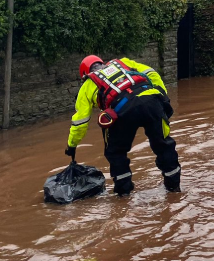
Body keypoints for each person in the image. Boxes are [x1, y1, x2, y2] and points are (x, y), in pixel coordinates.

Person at [66, 55, 180, 195]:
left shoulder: (88, 84)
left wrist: (72, 145)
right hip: (151, 101)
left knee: (116, 153)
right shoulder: (123, 62)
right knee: (164, 145)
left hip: (122, 111)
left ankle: (123, 198)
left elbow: (80, 122)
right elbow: (151, 73)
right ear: (102, 63)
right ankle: (174, 190)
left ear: (85, 74)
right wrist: (163, 97)